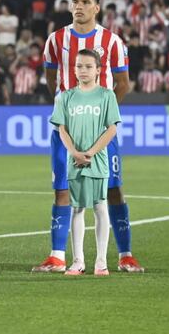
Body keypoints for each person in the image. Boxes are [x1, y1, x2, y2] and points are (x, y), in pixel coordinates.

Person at [34, 0, 144, 274]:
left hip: (101, 131)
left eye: (85, 2)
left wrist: (101, 115)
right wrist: (67, 113)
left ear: (97, 7)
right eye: (74, 2)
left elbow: (123, 83)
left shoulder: (112, 42)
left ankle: (125, 255)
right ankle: (58, 256)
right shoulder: (56, 40)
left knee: (113, 189)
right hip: (66, 131)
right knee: (62, 189)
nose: (79, 6)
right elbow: (51, 79)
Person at [50, 50, 121, 276]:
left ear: (98, 70)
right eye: (79, 66)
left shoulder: (106, 96)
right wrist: (74, 152)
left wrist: (90, 152)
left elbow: (112, 128)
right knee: (77, 208)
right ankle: (78, 261)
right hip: (75, 160)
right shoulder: (66, 97)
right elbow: (62, 128)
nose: (83, 70)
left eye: (88, 66)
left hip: (97, 160)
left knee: (100, 206)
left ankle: (101, 262)